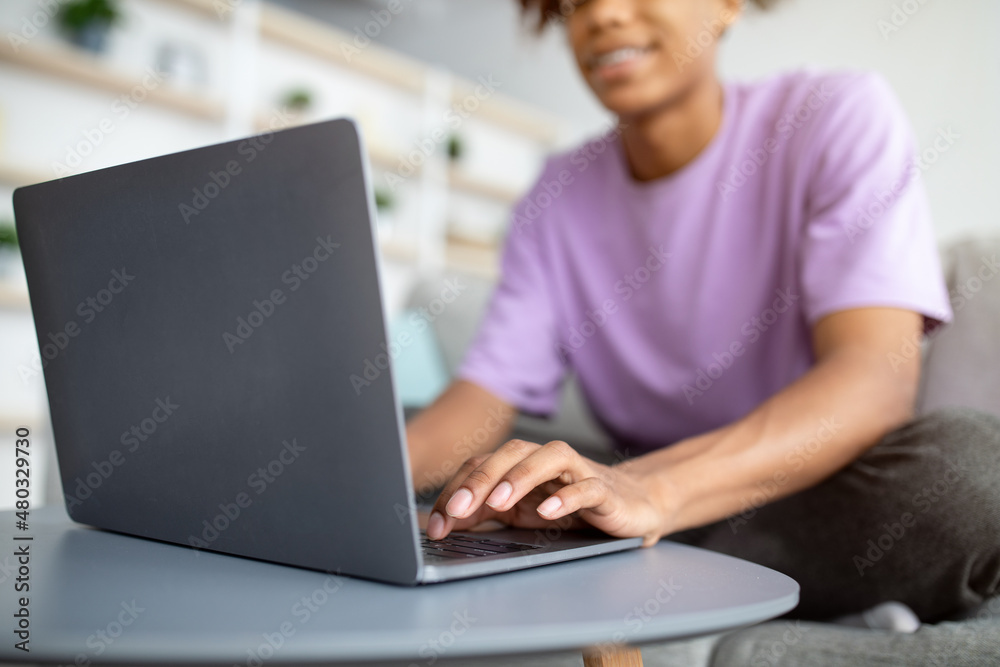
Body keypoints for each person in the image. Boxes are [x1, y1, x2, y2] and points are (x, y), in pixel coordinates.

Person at [405, 0, 1000, 637]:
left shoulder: (835, 114)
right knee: (421, 436)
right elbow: (482, 399)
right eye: (574, 3)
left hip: (793, 496)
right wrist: (357, 491)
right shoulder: (553, 197)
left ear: (727, 6)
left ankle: (621, 577)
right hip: (625, 489)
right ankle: (635, 571)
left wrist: (651, 493)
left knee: (973, 470)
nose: (603, 15)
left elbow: (873, 378)